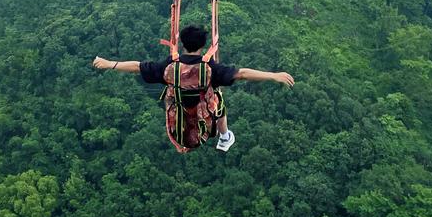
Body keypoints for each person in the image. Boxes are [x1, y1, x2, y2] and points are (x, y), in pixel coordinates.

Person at [93, 23, 295, 152]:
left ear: (182, 44)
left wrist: (109, 63)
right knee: (217, 96)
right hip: (203, 127)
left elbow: (137, 66)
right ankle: (225, 137)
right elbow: (241, 74)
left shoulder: (169, 67)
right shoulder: (209, 69)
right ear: (203, 46)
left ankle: (219, 137)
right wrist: (273, 75)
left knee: (177, 92)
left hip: (177, 127)